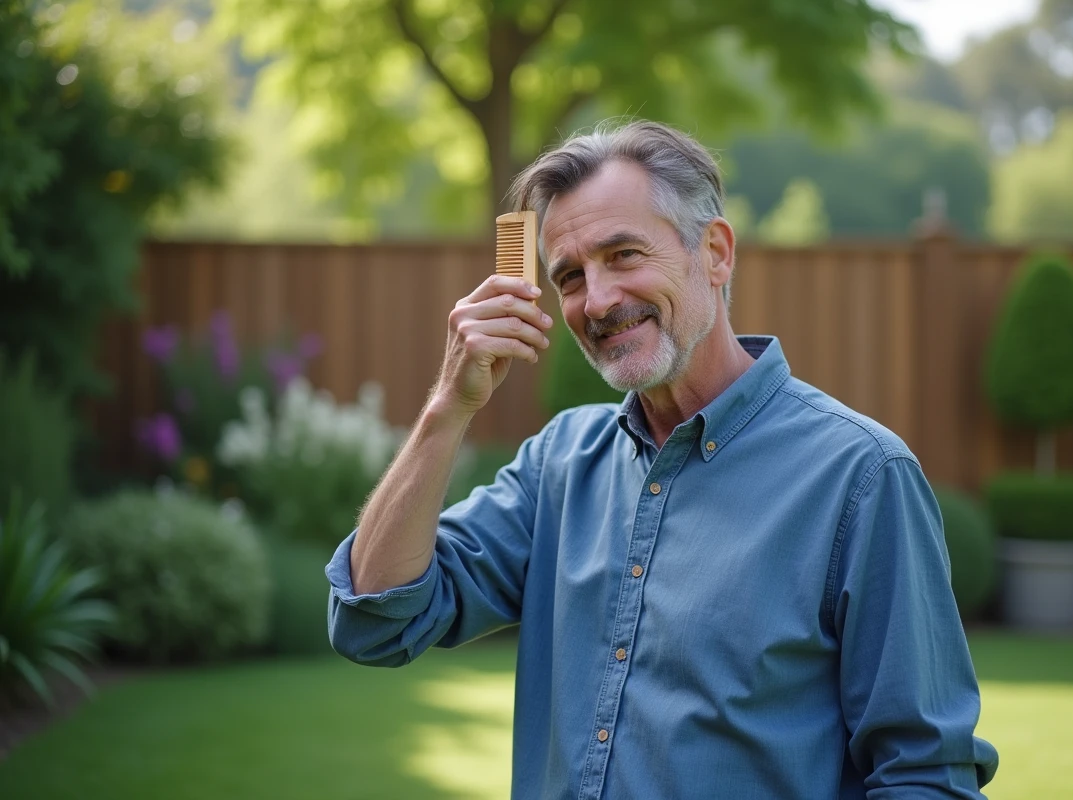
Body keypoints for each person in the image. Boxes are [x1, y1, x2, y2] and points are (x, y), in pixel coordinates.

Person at [326, 119, 999, 799]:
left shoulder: (861, 476)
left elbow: (926, 776)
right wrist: (448, 407)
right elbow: (374, 621)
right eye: (570, 277)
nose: (598, 300)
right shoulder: (559, 464)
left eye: (623, 255)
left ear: (715, 253)